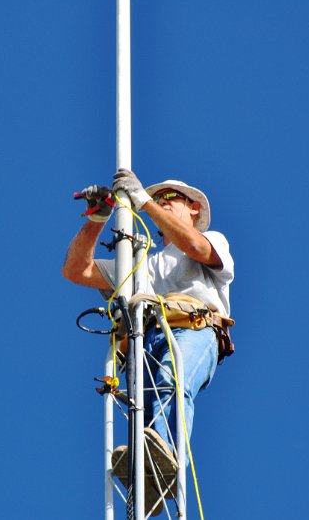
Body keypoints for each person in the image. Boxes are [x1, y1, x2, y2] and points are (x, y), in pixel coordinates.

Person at [62, 168, 234, 514]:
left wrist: (143, 201)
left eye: (170, 198)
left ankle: (165, 456)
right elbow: (76, 269)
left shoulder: (212, 239)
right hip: (145, 339)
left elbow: (196, 246)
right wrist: (98, 218)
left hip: (192, 328)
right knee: (143, 408)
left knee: (171, 380)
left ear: (194, 208)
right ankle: (149, 476)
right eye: (157, 198)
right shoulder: (139, 264)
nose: (161, 202)